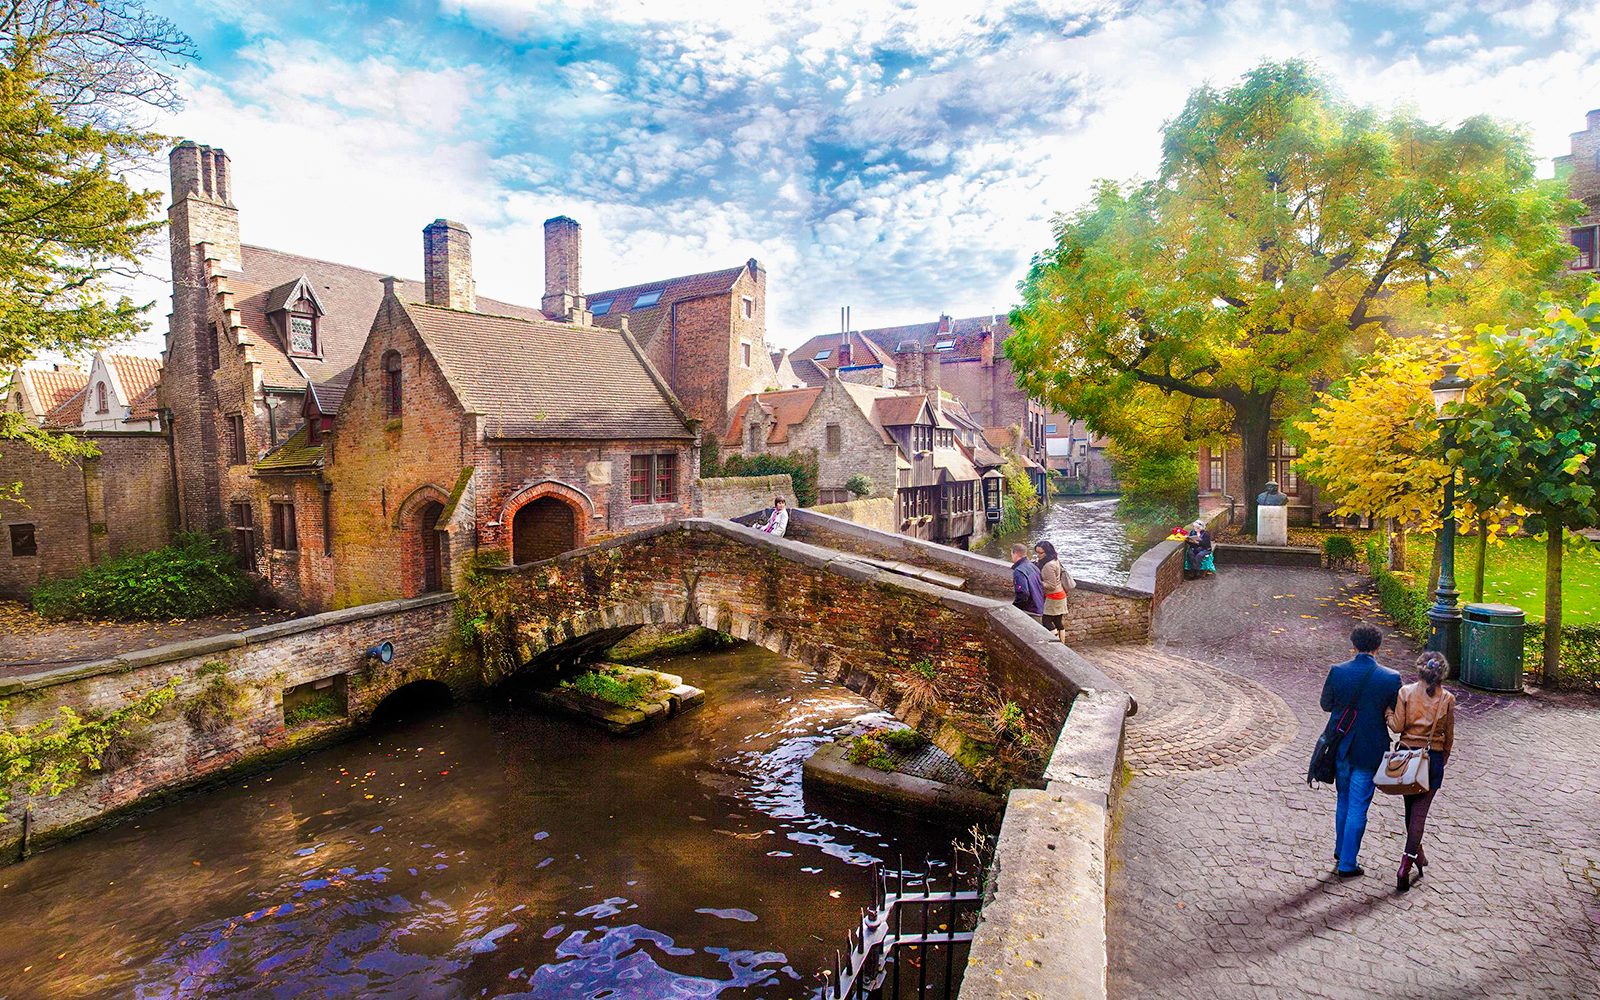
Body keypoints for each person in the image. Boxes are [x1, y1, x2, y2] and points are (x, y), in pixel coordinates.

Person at [1319, 624, 1402, 879]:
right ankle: (1347, 862)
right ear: (1378, 647)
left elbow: (1326, 705)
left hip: (1342, 747)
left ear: (1353, 645)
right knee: (1359, 805)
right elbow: (1395, 712)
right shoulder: (1390, 677)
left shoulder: (1338, 671)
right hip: (1370, 749)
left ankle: (1339, 850)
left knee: (1343, 800)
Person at [1386, 651, 1455, 892]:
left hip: (1407, 757)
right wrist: (1443, 758)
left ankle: (1414, 856)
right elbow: (1449, 735)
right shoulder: (1447, 698)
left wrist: (1387, 713)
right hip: (1432, 759)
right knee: (1419, 813)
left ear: (1419, 670)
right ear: (1441, 674)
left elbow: (1397, 726)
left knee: (1410, 810)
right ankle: (1408, 862)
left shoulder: (1405, 692)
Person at [1034, 541, 1073, 641]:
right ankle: (1062, 644)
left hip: (1054, 597)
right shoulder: (1055, 560)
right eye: (1037, 552)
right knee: (1057, 621)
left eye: (1040, 553)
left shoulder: (1048, 566)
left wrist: (1038, 582)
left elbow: (1051, 585)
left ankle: (1056, 643)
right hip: (1060, 595)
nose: (1038, 555)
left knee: (1046, 621)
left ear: (1047, 552)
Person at [1010, 542, 1044, 616]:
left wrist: (1014, 607)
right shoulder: (1033, 566)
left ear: (1015, 554)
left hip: (1030, 611)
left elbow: (1023, 593)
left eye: (1012, 554)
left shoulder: (1019, 571)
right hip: (1039, 608)